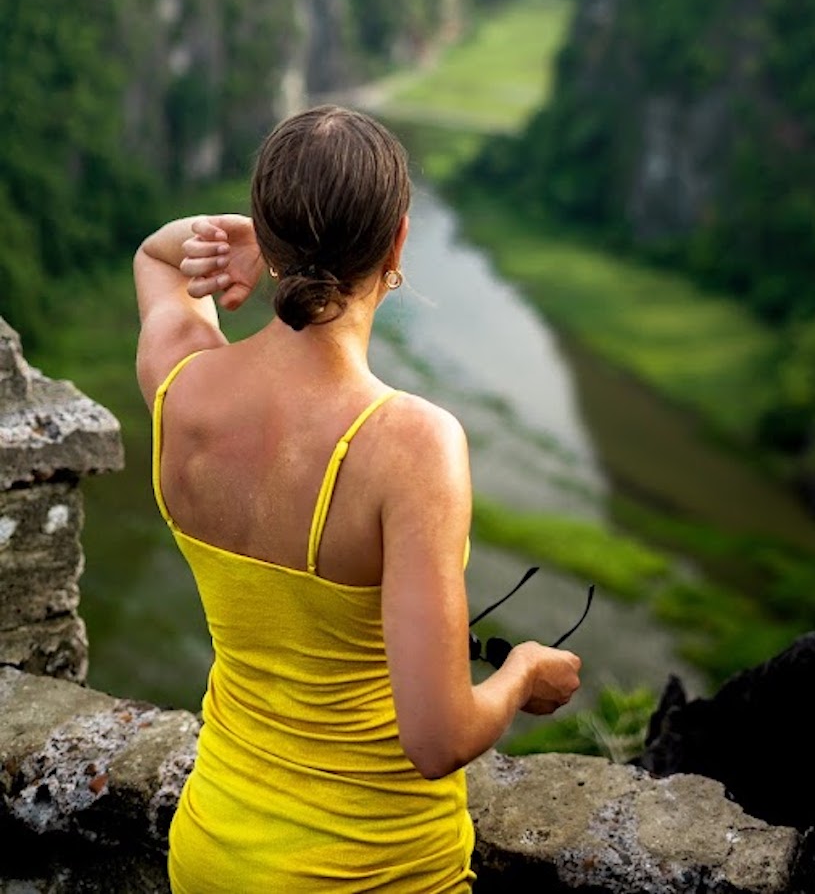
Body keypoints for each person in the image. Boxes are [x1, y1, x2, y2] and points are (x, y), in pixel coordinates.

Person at [133, 104, 582, 893]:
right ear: (399, 241)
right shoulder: (412, 445)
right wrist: (520, 673)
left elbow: (157, 257)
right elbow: (438, 737)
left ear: (267, 237)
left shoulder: (182, 386)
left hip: (209, 853)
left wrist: (257, 239)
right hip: (371, 872)